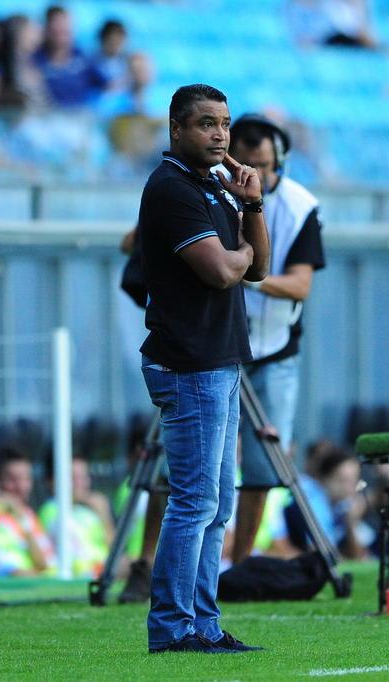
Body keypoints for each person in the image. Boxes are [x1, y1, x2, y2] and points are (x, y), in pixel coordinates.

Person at [137, 83, 269, 654]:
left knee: (217, 503)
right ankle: (171, 628)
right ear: (176, 129)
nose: (220, 133)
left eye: (224, 123)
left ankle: (204, 626)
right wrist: (236, 255)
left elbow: (257, 268)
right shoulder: (171, 188)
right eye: (206, 123)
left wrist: (253, 205)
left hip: (218, 361)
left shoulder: (215, 184)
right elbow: (222, 272)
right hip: (190, 365)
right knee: (194, 500)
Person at [225, 113, 326, 567]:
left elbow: (301, 284)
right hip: (221, 346)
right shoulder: (211, 194)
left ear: (279, 161)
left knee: (264, 466)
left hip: (275, 348)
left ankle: (241, 565)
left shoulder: (301, 207)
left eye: (263, 165)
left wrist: (250, 276)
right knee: (197, 458)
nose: (255, 175)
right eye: (246, 163)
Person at [267, 443, 366, 560]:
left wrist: (351, 524)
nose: (350, 488)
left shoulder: (344, 506)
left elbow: (360, 555)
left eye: (354, 480)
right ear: (324, 478)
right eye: (342, 480)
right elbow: (324, 557)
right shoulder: (313, 496)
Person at [38, 455, 113, 578]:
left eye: (84, 477)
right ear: (53, 482)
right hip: (89, 573)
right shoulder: (52, 511)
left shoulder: (88, 511)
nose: (81, 483)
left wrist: (104, 514)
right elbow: (75, 560)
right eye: (73, 478)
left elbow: (113, 550)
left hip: (102, 569)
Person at [0, 446, 55, 568]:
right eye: (13, 479)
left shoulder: (28, 515)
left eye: (27, 478)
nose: (22, 487)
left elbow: (47, 561)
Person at [32, 5, 109, 108]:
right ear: (47, 28)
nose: (62, 29)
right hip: (47, 117)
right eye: (57, 27)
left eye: (65, 28)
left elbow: (107, 85)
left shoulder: (82, 58)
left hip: (78, 117)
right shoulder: (35, 61)